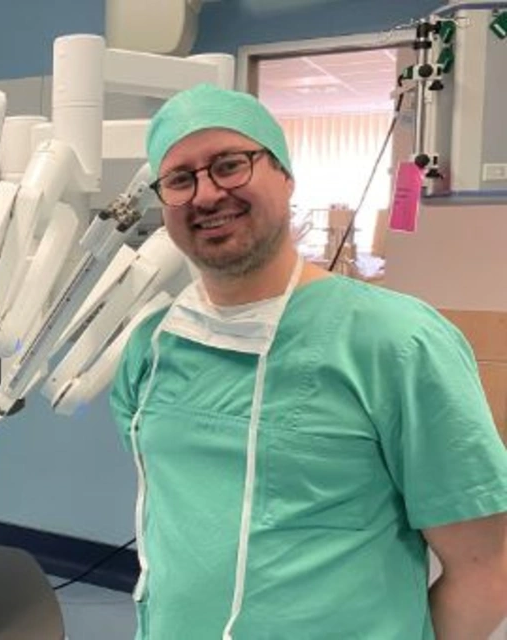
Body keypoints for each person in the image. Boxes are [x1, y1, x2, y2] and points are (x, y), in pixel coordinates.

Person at [109, 83, 507, 639]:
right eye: (180, 179)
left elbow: (486, 568)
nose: (206, 194)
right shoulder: (152, 348)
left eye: (230, 165)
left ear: (286, 174)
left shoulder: (398, 345)